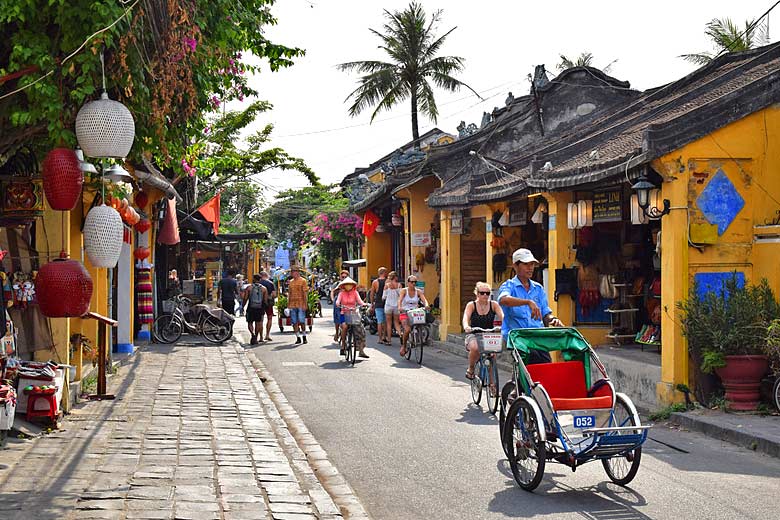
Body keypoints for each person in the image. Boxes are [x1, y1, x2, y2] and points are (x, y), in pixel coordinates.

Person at [497, 248, 563, 364]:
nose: (530, 267)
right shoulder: (509, 286)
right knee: (531, 358)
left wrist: (553, 319)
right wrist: (527, 302)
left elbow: (545, 314)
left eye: (532, 264)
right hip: (518, 337)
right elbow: (503, 300)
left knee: (547, 364)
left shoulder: (538, 289)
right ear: (516, 266)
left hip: (537, 336)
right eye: (526, 264)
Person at [462, 281, 504, 380]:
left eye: (487, 293)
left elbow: (502, 316)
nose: (485, 295)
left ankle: (493, 384)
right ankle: (471, 368)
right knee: (475, 348)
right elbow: (466, 317)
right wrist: (466, 326)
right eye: (482, 293)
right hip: (474, 334)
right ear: (477, 293)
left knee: (492, 356)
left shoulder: (494, 305)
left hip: (489, 334)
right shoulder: (471, 305)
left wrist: (505, 325)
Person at [335, 277, 369, 358]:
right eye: (346, 284)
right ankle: (343, 344)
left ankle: (361, 350)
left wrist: (364, 304)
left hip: (354, 314)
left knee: (360, 329)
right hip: (344, 313)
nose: (348, 286)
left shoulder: (355, 293)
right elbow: (338, 301)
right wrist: (337, 303)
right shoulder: (341, 293)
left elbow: (360, 301)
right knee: (344, 327)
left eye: (350, 284)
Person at [398, 275, 429, 357]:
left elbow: (424, 299)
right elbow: (400, 300)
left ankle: (418, 338)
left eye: (415, 282)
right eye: (412, 282)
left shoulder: (418, 291)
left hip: (414, 312)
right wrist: (400, 307)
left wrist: (426, 305)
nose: (414, 284)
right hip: (405, 312)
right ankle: (404, 346)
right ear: (408, 283)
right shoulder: (404, 291)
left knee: (420, 324)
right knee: (407, 329)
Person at [243, 274, 268, 345]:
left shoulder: (249, 288)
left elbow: (245, 298)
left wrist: (243, 306)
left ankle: (252, 334)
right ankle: (256, 336)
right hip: (259, 308)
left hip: (251, 307)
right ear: (260, 280)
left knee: (250, 322)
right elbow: (265, 300)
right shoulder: (264, 289)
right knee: (258, 323)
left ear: (253, 279)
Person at [287, 266, 309, 344]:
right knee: (294, 321)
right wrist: (288, 304)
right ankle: (298, 337)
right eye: (292, 272)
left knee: (302, 320)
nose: (292, 273)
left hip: (301, 303)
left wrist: (305, 304)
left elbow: (305, 293)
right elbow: (289, 294)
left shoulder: (303, 281)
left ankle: (304, 336)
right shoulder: (291, 282)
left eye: (294, 271)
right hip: (293, 304)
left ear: (297, 272)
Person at [369, 267, 389, 345]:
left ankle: (380, 338)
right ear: (384, 273)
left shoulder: (375, 282)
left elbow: (372, 293)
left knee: (379, 321)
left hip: (378, 303)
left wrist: (372, 303)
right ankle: (385, 336)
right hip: (387, 303)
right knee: (386, 321)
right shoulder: (388, 281)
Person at [382, 271, 401, 347]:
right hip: (396, 306)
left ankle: (389, 340)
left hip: (388, 306)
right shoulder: (399, 285)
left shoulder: (387, 286)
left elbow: (384, 297)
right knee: (396, 323)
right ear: (395, 277)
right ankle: (401, 335)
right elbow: (401, 295)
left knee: (389, 323)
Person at [330, 270, 349, 342]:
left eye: (345, 277)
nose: (344, 278)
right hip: (338, 302)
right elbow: (333, 291)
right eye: (342, 277)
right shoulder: (337, 284)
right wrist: (332, 299)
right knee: (337, 318)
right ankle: (337, 332)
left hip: (348, 302)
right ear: (340, 277)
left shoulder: (350, 283)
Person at [259, 271, 277, 342]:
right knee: (269, 318)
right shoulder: (270, 283)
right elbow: (274, 294)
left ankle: (260, 337)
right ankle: (267, 335)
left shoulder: (258, 283)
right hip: (269, 303)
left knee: (260, 320)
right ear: (266, 275)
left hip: (259, 303)